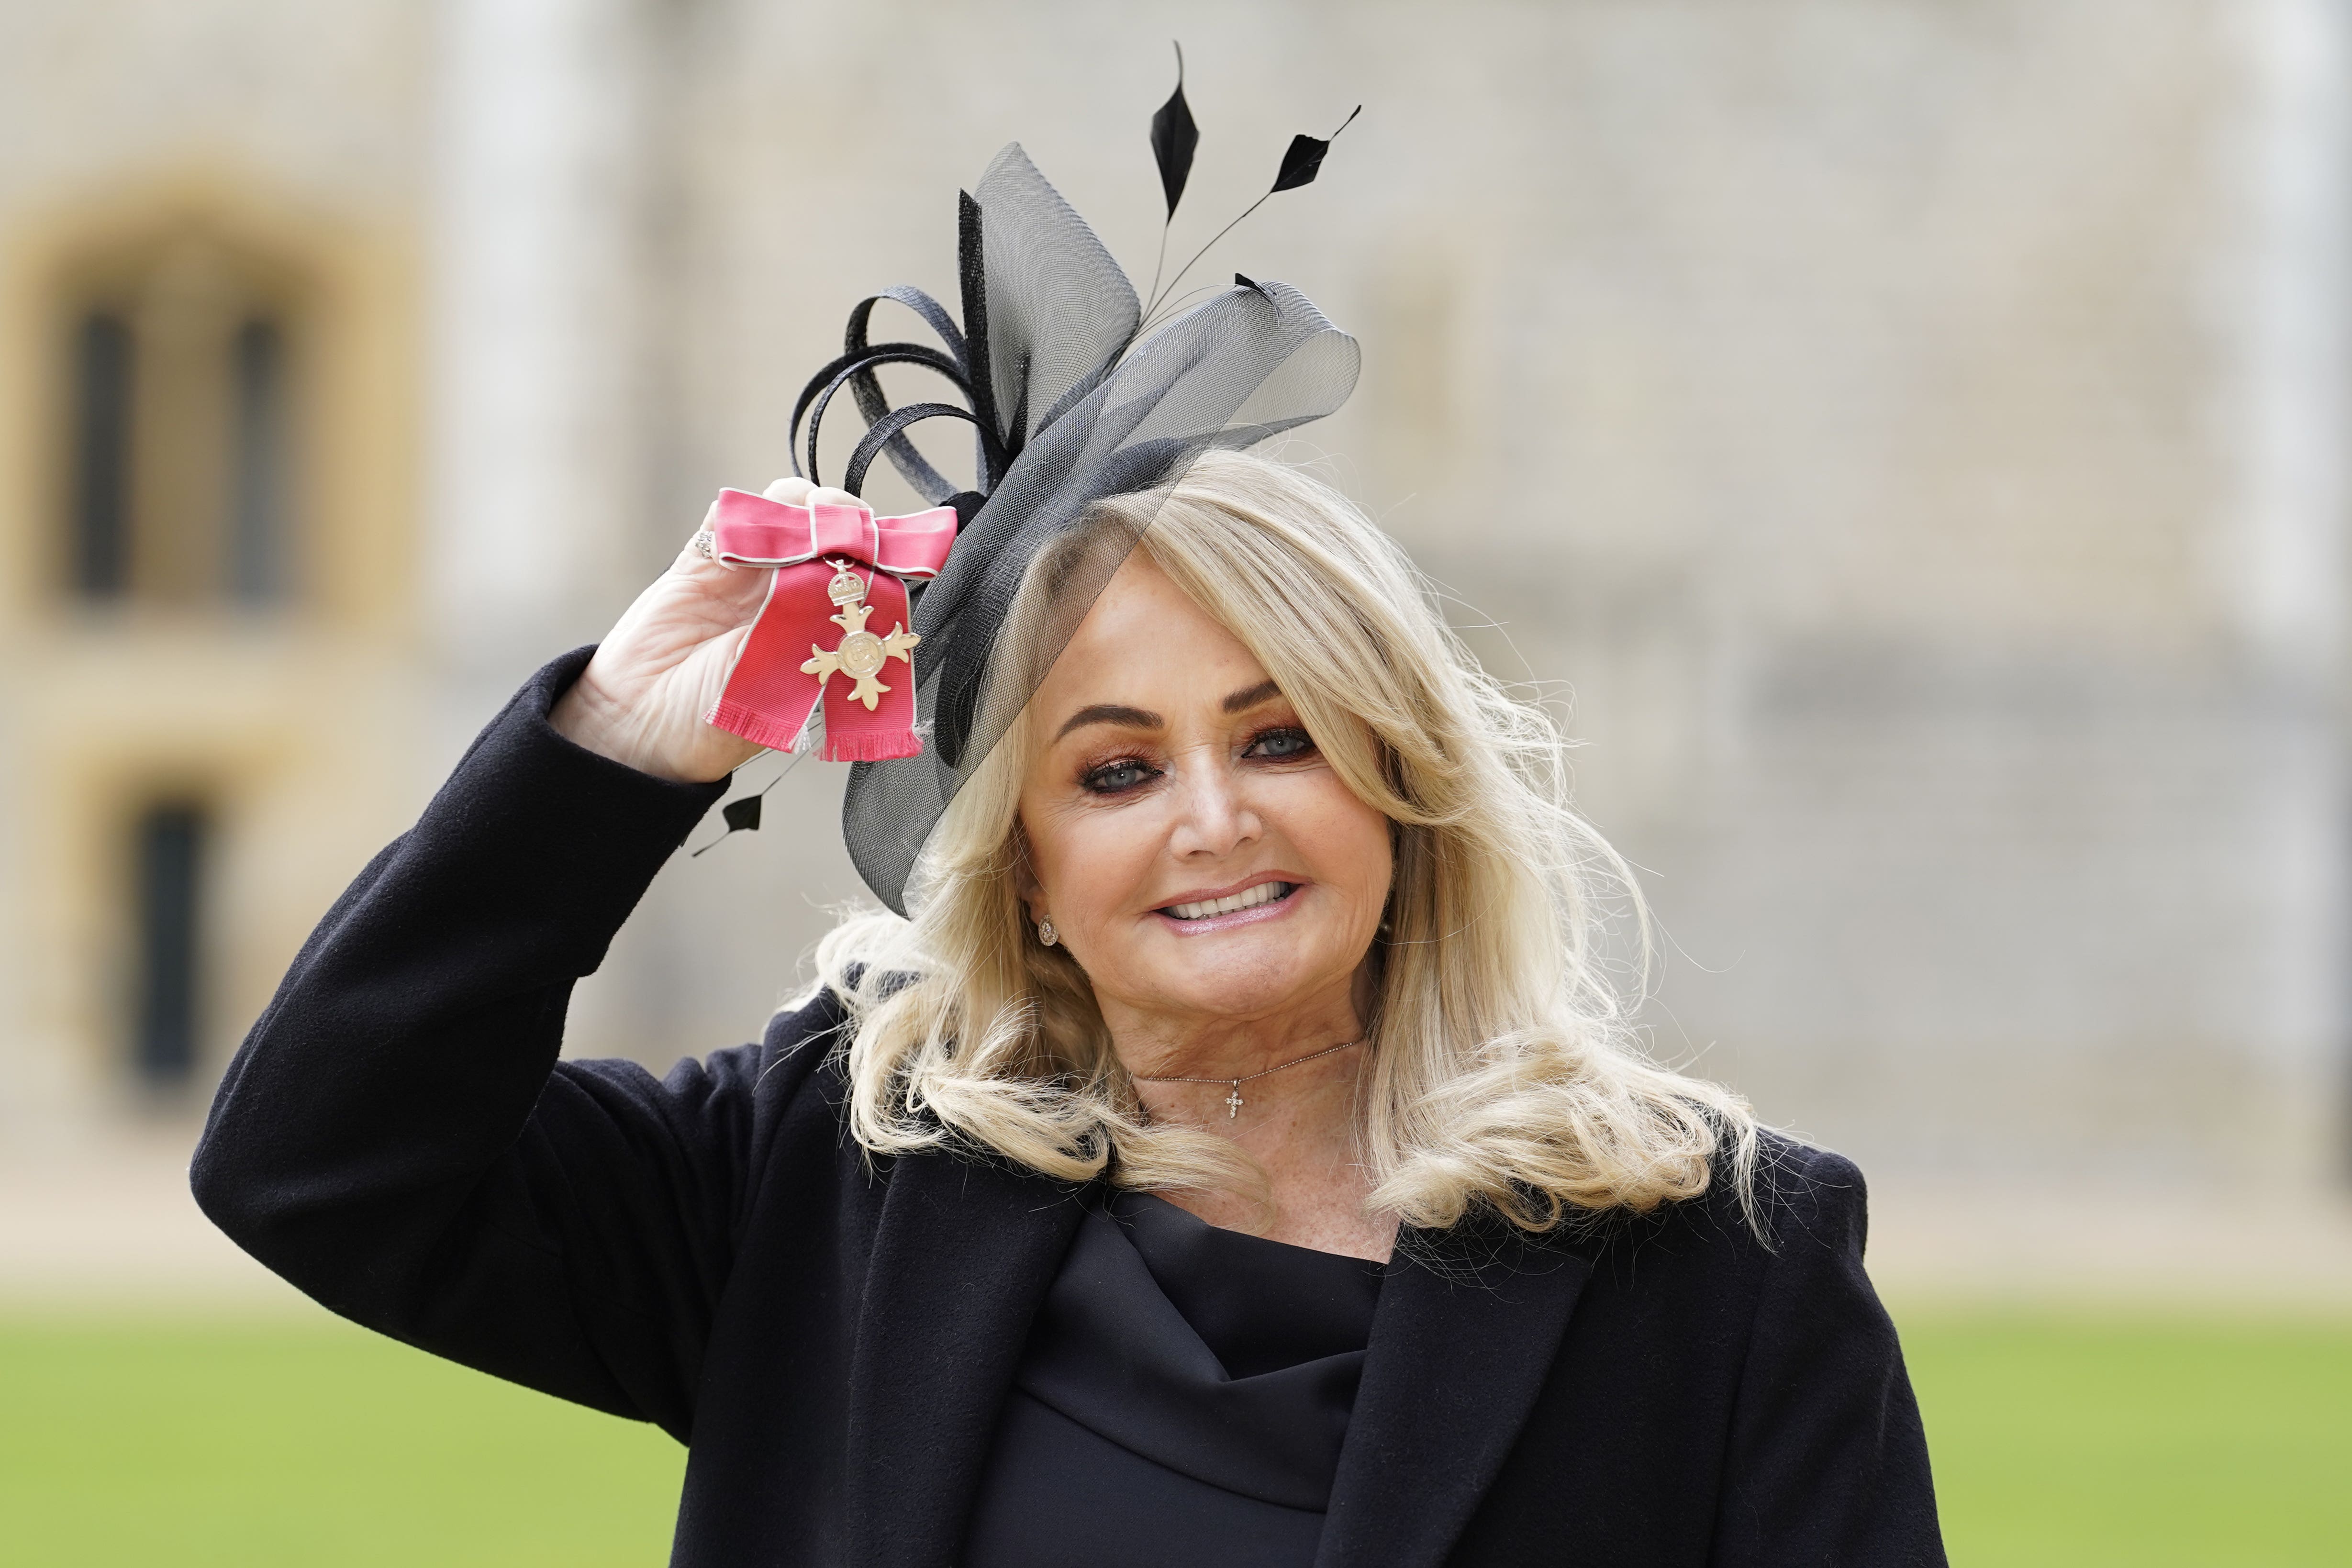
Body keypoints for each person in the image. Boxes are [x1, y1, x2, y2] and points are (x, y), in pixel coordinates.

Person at [194, 130, 1944, 1568]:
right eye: (1111, 773)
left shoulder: (1714, 1253)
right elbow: (321, 1163)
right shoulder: (826, 1174)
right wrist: (620, 741)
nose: (1212, 817)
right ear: (1022, 860)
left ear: (1399, 783)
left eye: (1279, 738)